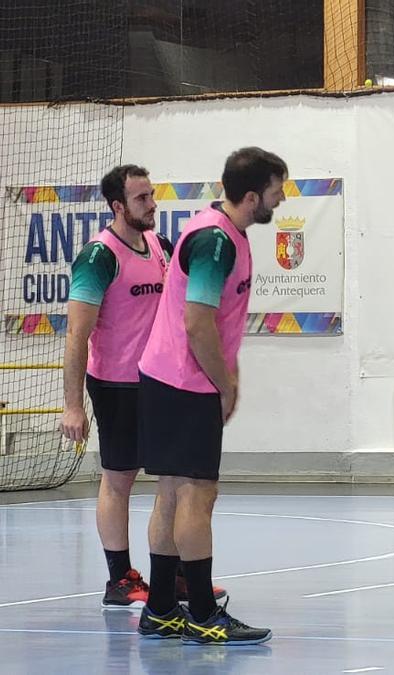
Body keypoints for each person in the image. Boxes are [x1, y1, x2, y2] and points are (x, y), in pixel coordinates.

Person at [135, 147, 287, 645]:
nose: (280, 199)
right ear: (250, 196)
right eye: (275, 190)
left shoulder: (229, 234)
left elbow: (219, 324)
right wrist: (226, 384)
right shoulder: (215, 241)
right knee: (197, 496)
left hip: (173, 380)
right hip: (183, 382)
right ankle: (201, 613)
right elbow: (197, 323)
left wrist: (230, 374)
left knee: (174, 493)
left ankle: (160, 608)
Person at [61, 165, 222, 609]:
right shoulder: (99, 257)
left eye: (152, 195)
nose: (152, 205)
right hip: (116, 385)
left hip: (161, 383)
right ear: (118, 206)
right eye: (141, 199)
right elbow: (76, 335)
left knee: (175, 481)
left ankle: (176, 578)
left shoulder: (158, 245)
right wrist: (73, 405)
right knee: (119, 479)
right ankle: (120, 579)